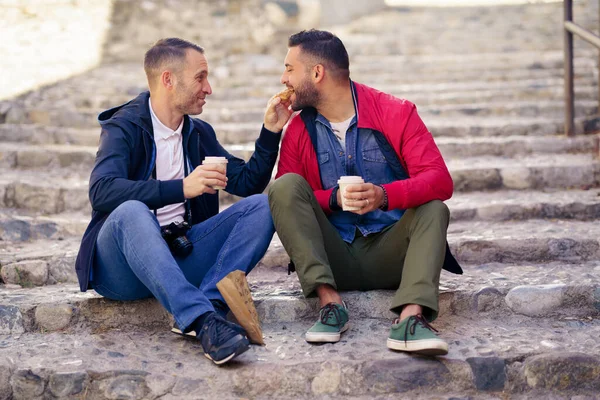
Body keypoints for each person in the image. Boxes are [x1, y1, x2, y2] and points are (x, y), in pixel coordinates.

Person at [74, 38, 292, 365]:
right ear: (168, 79)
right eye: (200, 77)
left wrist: (271, 130)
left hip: (180, 253)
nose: (209, 88)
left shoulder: (198, 133)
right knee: (132, 211)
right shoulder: (124, 126)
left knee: (263, 206)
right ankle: (201, 321)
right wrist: (181, 188)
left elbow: (247, 183)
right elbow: (102, 190)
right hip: (122, 269)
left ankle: (212, 304)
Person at [268, 29, 462, 356]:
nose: (283, 77)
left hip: (392, 256)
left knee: (434, 208)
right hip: (334, 258)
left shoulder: (395, 112)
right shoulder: (298, 129)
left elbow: (440, 181)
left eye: (289, 68)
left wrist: (383, 195)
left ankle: (411, 320)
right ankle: (330, 305)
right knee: (283, 186)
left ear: (317, 73)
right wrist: (333, 199)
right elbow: (287, 200)